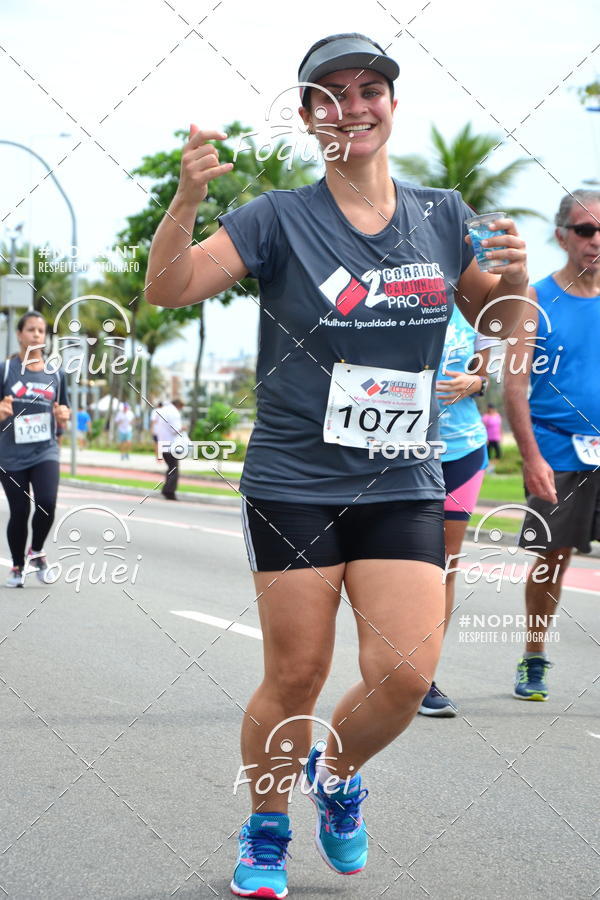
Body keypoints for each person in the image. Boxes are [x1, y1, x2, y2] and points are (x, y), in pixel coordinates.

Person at [146, 32, 529, 899]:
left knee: (405, 675)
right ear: (310, 116)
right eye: (331, 95)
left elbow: (505, 326)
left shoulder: (442, 214)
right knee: (296, 672)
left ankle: (339, 772)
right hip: (294, 478)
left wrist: (521, 281)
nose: (353, 108)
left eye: (370, 90)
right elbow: (168, 289)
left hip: (401, 476)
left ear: (392, 104)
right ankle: (268, 827)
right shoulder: (275, 217)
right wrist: (185, 199)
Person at [504, 188, 600, 702]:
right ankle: (534, 656)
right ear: (562, 234)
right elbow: (514, 385)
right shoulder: (536, 299)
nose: (595, 240)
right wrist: (530, 455)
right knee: (552, 558)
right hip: (557, 448)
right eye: (585, 230)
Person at [418, 305, 492, 716]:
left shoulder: (475, 305)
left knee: (443, 564)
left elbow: (487, 372)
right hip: (401, 449)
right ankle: (390, 661)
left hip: (461, 448)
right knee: (401, 562)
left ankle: (423, 676)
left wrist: (474, 382)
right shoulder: (393, 293)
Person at [0, 311, 70, 587]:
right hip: (10, 454)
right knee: (19, 511)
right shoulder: (5, 370)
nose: (37, 335)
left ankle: (37, 551)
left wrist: (63, 420)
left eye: (41, 331)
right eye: (31, 330)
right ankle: (18, 566)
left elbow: (61, 410)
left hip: (45, 450)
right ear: (19, 335)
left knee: (47, 503)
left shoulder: (57, 374)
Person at [153, 398, 184, 500]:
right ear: (178, 405)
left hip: (163, 444)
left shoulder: (162, 411)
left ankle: (167, 490)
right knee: (174, 469)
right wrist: (183, 429)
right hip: (172, 445)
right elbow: (175, 430)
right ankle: (169, 491)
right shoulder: (174, 413)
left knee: (171, 468)